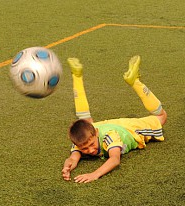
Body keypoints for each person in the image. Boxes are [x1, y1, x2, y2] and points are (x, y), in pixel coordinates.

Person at [61, 55, 167, 183]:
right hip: (106, 124)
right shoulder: (83, 140)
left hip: (129, 130)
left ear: (97, 133)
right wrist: (67, 166)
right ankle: (76, 76)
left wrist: (94, 174)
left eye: (92, 145)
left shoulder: (109, 137)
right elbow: (72, 158)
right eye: (84, 149)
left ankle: (136, 82)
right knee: (87, 122)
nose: (90, 151)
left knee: (161, 117)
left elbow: (115, 159)